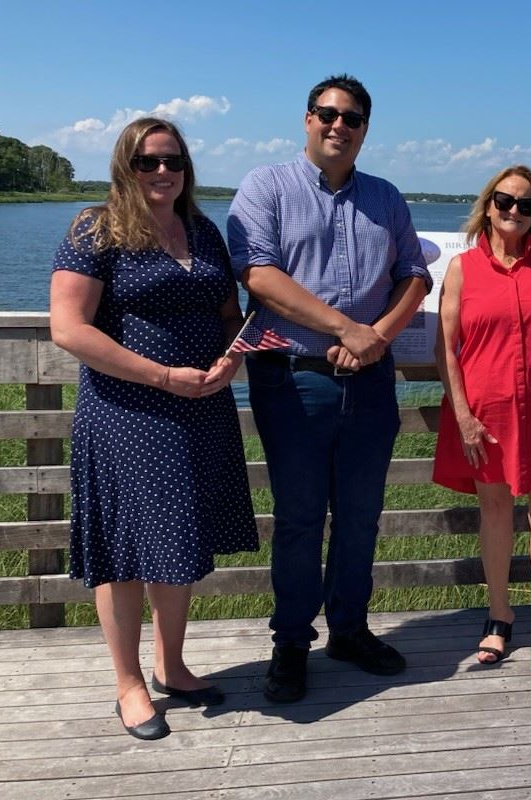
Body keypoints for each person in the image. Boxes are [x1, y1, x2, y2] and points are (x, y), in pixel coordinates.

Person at [50, 117, 258, 740]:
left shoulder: (202, 230)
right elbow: (70, 327)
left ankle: (172, 664)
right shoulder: (95, 228)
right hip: (127, 413)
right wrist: (164, 375)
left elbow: (228, 312)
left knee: (179, 538)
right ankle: (128, 684)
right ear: (126, 167)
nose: (162, 172)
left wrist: (232, 357)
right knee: (124, 550)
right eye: (148, 162)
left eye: (173, 161)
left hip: (200, 407)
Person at [227, 74, 430, 703]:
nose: (338, 125)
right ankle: (291, 641)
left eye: (352, 118)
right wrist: (347, 327)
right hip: (293, 378)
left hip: (370, 384)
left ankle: (349, 628)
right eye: (327, 114)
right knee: (298, 518)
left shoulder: (386, 197)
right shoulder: (267, 186)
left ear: (365, 129)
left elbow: (414, 276)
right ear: (307, 119)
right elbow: (258, 276)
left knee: (361, 516)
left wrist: (374, 338)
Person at [432, 165, 531, 684]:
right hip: (487, 412)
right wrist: (461, 413)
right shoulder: (462, 269)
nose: (514, 212)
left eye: (526, 205)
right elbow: (446, 349)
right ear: (488, 204)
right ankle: (499, 613)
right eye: (505, 201)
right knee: (496, 506)